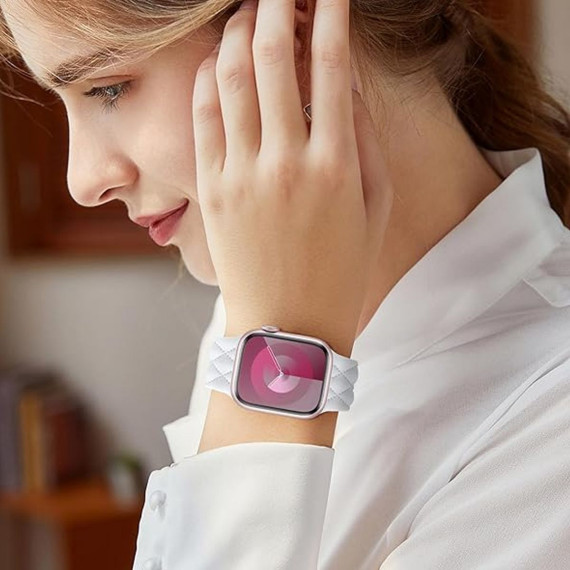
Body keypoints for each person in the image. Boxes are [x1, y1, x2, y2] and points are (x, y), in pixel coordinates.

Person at [1, 0, 569, 568]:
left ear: (292, 28)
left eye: (108, 88)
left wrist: (285, 350)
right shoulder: (256, 303)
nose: (82, 182)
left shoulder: (551, 424)